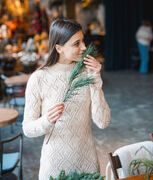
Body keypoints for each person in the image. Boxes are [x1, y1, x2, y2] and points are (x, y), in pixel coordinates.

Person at [22, 18, 110, 180]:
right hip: (54, 166)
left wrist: (96, 80)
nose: (84, 47)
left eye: (83, 41)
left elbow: (102, 122)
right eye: (77, 44)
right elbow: (27, 129)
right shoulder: (39, 78)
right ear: (59, 48)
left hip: (87, 162)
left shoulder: (86, 73)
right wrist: (46, 120)